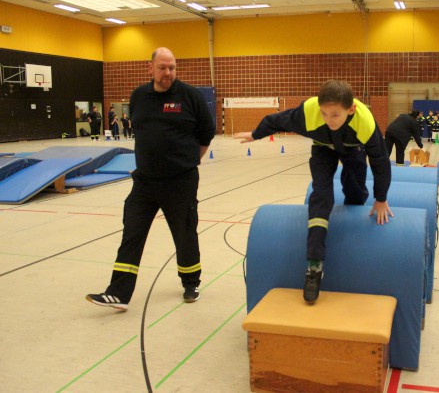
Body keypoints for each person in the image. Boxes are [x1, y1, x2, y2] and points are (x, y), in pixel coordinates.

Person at [234, 80, 392, 303]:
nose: (329, 120)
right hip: (322, 149)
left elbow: (380, 162)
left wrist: (381, 198)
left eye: (335, 115)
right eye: (325, 113)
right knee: (320, 195)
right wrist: (256, 134)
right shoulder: (308, 112)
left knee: (355, 190)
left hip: (353, 149)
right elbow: (276, 120)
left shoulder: (365, 122)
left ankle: (354, 229)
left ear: (351, 109)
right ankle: (314, 267)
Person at [86, 47, 215, 311]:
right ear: (150, 68)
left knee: (184, 233)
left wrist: (191, 160)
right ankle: (119, 293)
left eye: (172, 67)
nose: (168, 73)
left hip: (180, 181)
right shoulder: (138, 96)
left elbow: (206, 134)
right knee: (131, 233)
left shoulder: (190, 96)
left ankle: (191, 282)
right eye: (162, 67)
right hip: (144, 182)